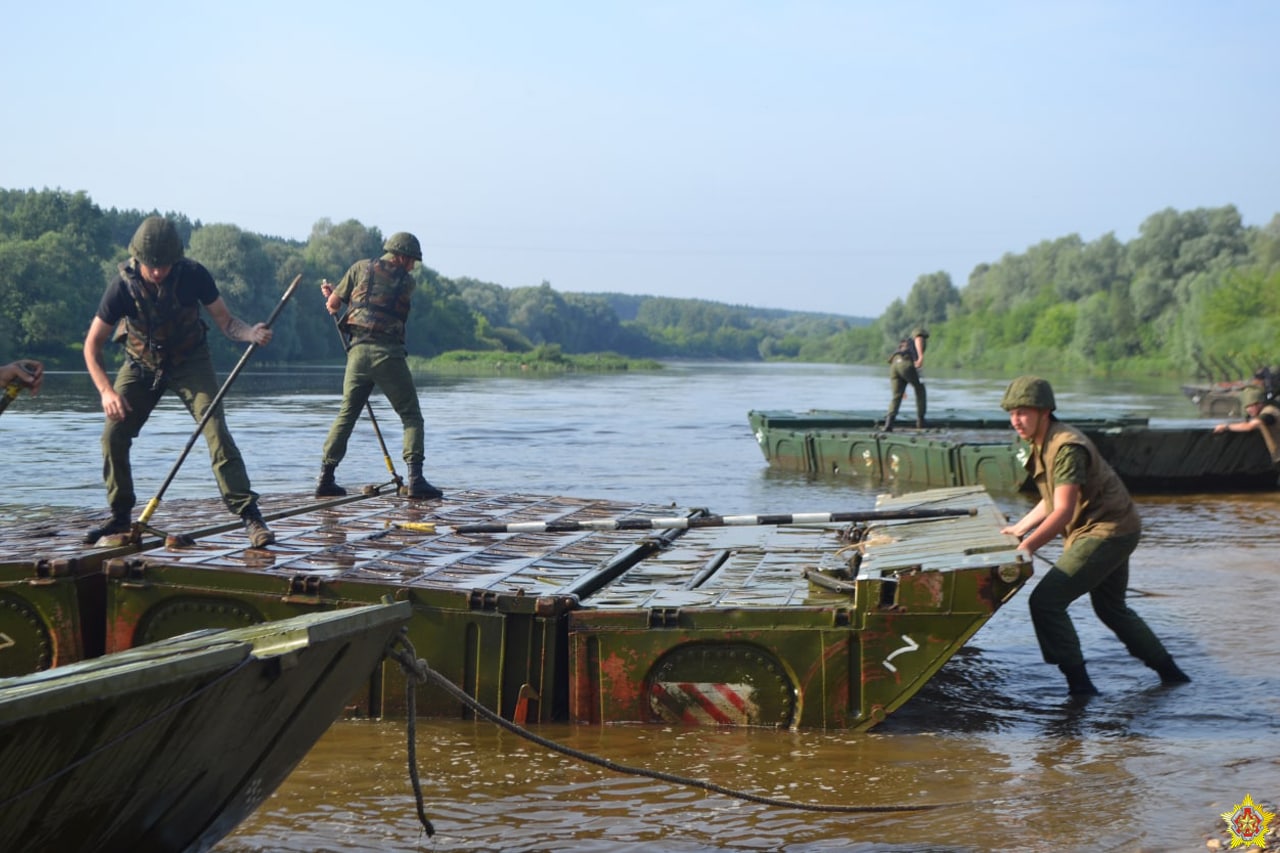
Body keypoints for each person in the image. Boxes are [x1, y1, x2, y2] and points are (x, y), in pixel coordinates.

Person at [83, 216, 276, 546]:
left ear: (176, 258)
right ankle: (119, 518)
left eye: (165, 265)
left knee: (215, 429)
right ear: (138, 258)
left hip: (190, 362)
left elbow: (227, 323)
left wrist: (250, 333)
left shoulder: (194, 275)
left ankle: (250, 516)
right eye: (151, 265)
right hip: (141, 365)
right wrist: (106, 391)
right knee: (113, 434)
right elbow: (92, 346)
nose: (158, 272)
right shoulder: (120, 288)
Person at [998, 376, 1190, 696]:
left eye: (1024, 412)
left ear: (1045, 411)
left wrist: (1027, 546)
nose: (1016, 420)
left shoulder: (1067, 447)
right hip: (1116, 526)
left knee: (1046, 602)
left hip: (1108, 531)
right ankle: (1173, 677)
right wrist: (1020, 528)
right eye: (1012, 412)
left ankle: (1081, 688)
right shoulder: (1042, 440)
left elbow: (1061, 511)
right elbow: (1052, 499)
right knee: (1111, 609)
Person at [315, 231, 442, 500]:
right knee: (411, 416)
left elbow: (335, 304)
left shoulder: (360, 267)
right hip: (388, 354)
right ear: (401, 256)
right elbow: (378, 304)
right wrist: (343, 298)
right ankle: (416, 480)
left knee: (346, 415)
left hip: (358, 353)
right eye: (412, 261)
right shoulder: (407, 282)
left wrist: (332, 295)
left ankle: (325, 478)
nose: (413, 267)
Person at [1214, 385, 1280, 462]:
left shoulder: (1269, 413)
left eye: (1250, 406)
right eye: (1246, 407)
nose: (1248, 410)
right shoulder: (1265, 412)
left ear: (1259, 404)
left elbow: (1250, 426)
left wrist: (1225, 426)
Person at [881, 326, 928, 431]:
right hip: (906, 362)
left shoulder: (905, 343)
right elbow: (919, 338)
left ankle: (889, 424)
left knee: (897, 396)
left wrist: (902, 388)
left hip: (894, 364)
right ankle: (921, 420)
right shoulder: (918, 336)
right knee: (920, 389)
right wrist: (920, 357)